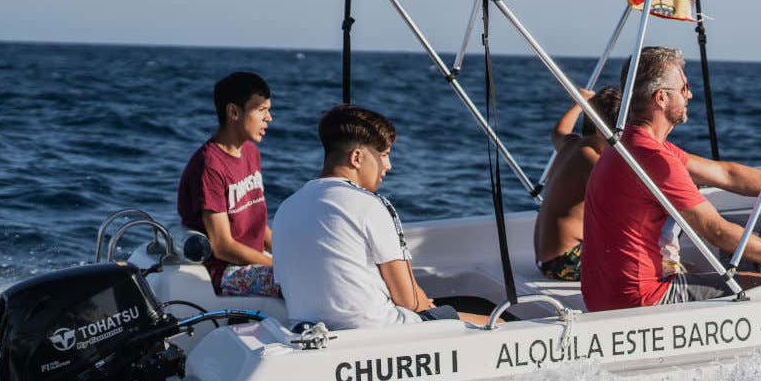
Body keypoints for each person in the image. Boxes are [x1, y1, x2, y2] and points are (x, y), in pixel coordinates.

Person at [581, 47, 761, 312]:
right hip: (642, 299)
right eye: (684, 87)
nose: (690, 94)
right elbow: (716, 231)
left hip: (604, 298)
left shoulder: (631, 143)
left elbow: (726, 174)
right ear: (661, 98)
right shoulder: (654, 159)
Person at [272, 104, 490, 330]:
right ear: (356, 157)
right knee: (498, 323)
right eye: (384, 155)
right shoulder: (371, 205)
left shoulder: (286, 209)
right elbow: (410, 302)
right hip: (380, 335)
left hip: (312, 333)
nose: (388, 165)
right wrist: (429, 306)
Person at [177, 72, 281, 297]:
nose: (269, 118)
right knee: (303, 281)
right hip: (226, 271)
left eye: (268, 110)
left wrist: (287, 253)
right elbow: (223, 246)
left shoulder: (251, 153)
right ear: (234, 112)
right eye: (261, 110)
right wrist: (280, 267)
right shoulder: (209, 166)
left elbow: (256, 225)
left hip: (255, 260)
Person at [533, 86, 622, 281]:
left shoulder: (571, 144)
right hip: (566, 263)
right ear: (606, 131)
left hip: (546, 260)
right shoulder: (592, 162)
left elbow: (559, 131)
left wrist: (578, 104)